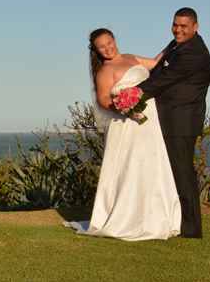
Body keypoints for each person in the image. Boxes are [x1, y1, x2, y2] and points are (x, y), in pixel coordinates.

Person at [65, 28, 181, 240]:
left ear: (114, 40)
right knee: (131, 165)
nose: (108, 48)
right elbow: (103, 100)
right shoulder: (104, 71)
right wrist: (124, 108)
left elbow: (156, 63)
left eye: (110, 42)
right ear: (96, 50)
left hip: (149, 120)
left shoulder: (130, 57)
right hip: (127, 123)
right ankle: (128, 217)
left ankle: (157, 216)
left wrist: (174, 43)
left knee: (152, 162)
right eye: (102, 46)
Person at [136, 7, 210, 238]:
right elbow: (157, 67)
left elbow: (163, 80)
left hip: (182, 122)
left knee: (182, 173)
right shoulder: (176, 45)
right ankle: (175, 220)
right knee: (173, 172)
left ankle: (191, 229)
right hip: (171, 117)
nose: (178, 29)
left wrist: (132, 94)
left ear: (195, 27)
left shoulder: (194, 53)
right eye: (175, 25)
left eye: (183, 26)